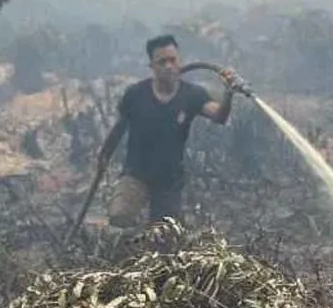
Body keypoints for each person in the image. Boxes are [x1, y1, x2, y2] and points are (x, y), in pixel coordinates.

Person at [98, 34, 243, 228]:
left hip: (169, 181)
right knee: (119, 216)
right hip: (136, 174)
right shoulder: (136, 94)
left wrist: (228, 93)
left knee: (166, 236)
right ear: (152, 66)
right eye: (162, 62)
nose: (168, 66)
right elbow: (119, 127)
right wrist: (104, 156)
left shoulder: (192, 94)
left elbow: (219, 116)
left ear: (179, 61)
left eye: (173, 60)